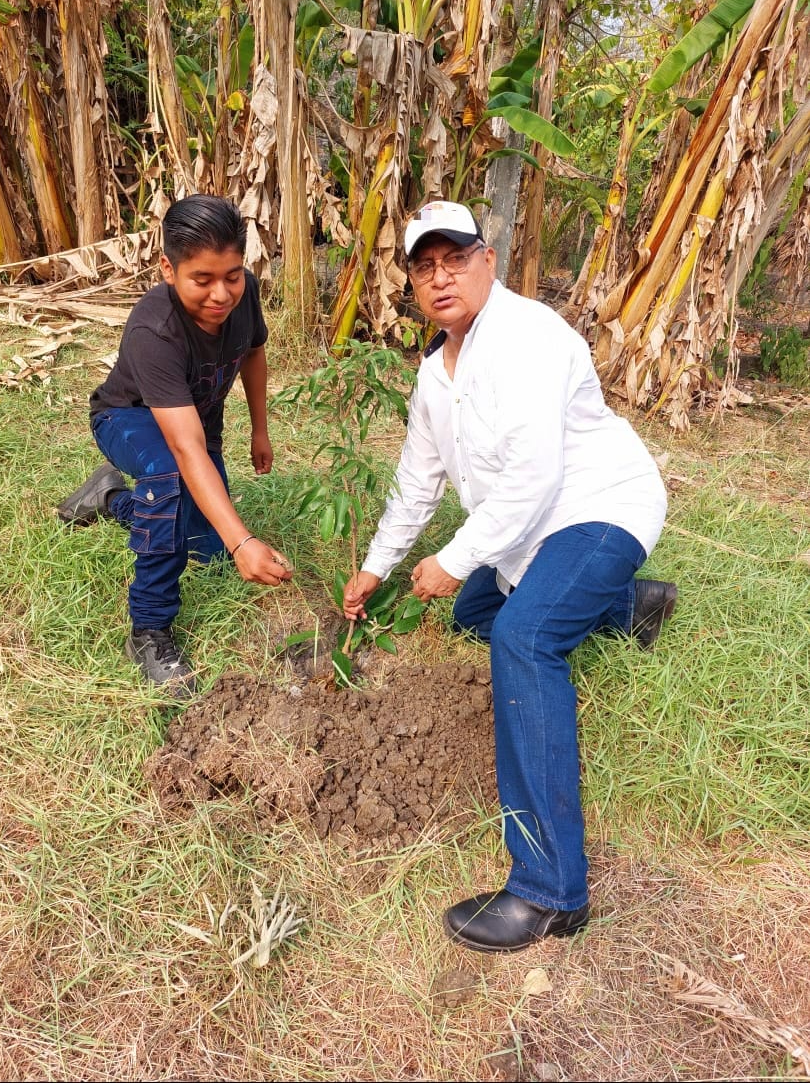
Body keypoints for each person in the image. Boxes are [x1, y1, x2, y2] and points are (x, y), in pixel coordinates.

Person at [342, 200, 676, 954]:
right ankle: (631, 609)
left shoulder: (527, 338)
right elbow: (416, 481)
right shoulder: (435, 372)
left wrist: (451, 560)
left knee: (524, 640)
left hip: (597, 512)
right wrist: (375, 566)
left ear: (487, 259)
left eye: (454, 258)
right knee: (473, 618)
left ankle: (549, 891)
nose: (441, 277)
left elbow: (531, 479)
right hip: (530, 540)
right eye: (424, 267)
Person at [57, 194, 293, 695]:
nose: (221, 294)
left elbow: (253, 351)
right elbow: (186, 452)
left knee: (203, 550)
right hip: (127, 419)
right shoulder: (154, 330)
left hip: (194, 421)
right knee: (169, 477)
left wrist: (259, 429)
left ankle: (109, 498)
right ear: (169, 267)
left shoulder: (243, 291)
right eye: (202, 280)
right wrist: (244, 540)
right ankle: (149, 630)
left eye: (231, 275)